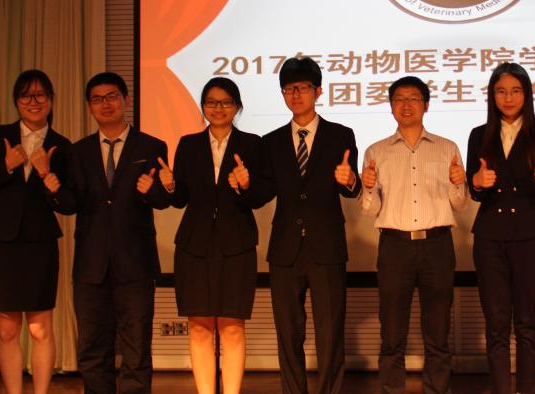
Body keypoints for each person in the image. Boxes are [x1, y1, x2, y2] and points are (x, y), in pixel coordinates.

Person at [57, 72, 171, 394]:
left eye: (111, 97)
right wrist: (52, 189)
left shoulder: (151, 146)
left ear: (126, 100)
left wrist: (153, 190)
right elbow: (69, 204)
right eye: (97, 99)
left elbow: (163, 201)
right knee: (92, 347)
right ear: (89, 106)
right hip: (91, 265)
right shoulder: (77, 152)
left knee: (136, 346)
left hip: (135, 263)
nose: (105, 104)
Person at [360, 75, 468, 394]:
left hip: (437, 244)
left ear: (426, 105)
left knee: (438, 331)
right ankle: (392, 390)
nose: (406, 105)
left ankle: (437, 389)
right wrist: (368, 187)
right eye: (399, 99)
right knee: (392, 332)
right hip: (395, 246)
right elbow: (369, 209)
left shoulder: (447, 148)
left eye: (414, 98)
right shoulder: (376, 151)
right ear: (391, 106)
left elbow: (460, 205)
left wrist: (459, 183)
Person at [259, 57, 360, 394]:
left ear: (318, 91)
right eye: (289, 89)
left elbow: (352, 188)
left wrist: (350, 180)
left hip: (326, 246)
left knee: (330, 332)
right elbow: (263, 192)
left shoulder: (340, 135)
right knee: (288, 333)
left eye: (303, 88)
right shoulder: (271, 141)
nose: (296, 95)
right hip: (284, 249)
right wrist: (245, 184)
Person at [159, 78, 266, 394]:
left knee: (232, 327)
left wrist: (246, 185)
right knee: (200, 326)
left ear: (237, 106)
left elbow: (260, 197)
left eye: (226, 102)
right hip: (195, 245)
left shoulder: (252, 144)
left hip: (237, 244)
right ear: (203, 106)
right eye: (211, 102)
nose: (218, 108)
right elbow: (180, 199)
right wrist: (170, 185)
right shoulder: (188, 144)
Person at [0, 70, 71, 394]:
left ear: (51, 100)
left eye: (40, 95)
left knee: (40, 329)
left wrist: (46, 175)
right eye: (26, 95)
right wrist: (7, 165)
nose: (33, 101)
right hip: (2, 243)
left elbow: (67, 203)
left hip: (39, 244)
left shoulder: (62, 145)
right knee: (7, 330)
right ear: (16, 101)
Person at [466, 62, 535, 394]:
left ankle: (526, 388)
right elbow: (474, 191)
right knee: (496, 324)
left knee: (527, 322)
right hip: (490, 237)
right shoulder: (479, 134)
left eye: (516, 91)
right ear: (492, 96)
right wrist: (477, 183)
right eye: (501, 91)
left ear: (527, 94)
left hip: (531, 234)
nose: (508, 98)